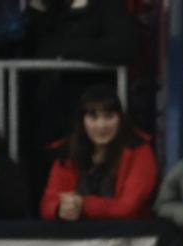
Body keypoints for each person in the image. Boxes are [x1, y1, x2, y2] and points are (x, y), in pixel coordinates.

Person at [39, 85, 156, 223]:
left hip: (130, 240)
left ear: (120, 119)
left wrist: (84, 205)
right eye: (93, 117)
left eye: (109, 116)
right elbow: (48, 204)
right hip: (77, 241)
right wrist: (60, 209)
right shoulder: (68, 151)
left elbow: (128, 207)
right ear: (82, 121)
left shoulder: (139, 150)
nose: (101, 126)